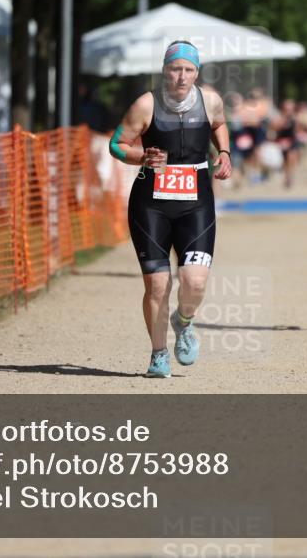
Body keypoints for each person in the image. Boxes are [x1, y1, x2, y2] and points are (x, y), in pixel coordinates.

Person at [109, 41, 233, 377]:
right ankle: (158, 353)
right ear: (165, 69)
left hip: (196, 204)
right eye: (175, 69)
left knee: (194, 281)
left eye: (189, 70)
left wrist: (224, 154)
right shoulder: (146, 104)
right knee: (158, 284)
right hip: (151, 204)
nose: (181, 77)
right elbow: (116, 144)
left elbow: (219, 124)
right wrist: (142, 156)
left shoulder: (210, 101)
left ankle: (184, 320)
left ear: (197, 72)